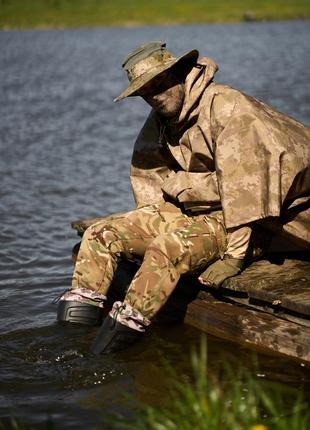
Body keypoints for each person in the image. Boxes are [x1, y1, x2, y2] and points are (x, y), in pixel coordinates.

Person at [56, 41, 310, 354]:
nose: (155, 96)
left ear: (181, 73)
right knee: (99, 233)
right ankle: (67, 349)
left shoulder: (230, 109)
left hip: (269, 218)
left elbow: (249, 191)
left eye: (160, 85)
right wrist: (147, 226)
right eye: (146, 92)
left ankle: (103, 357)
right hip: (207, 209)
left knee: (169, 247)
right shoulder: (164, 116)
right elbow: (148, 174)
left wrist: (234, 256)